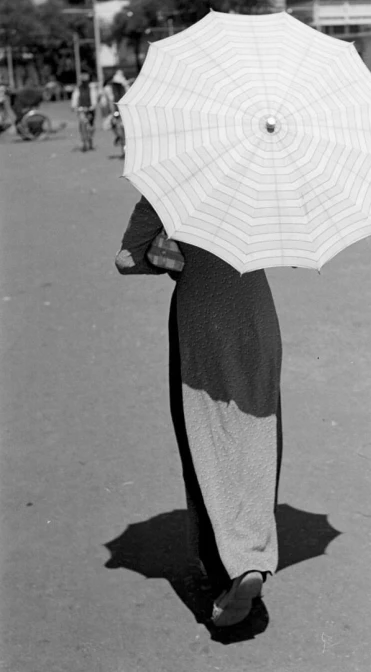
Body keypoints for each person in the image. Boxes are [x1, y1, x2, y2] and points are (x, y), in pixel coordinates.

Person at [115, 196, 283, 628]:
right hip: (256, 311)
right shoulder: (264, 174)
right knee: (258, 434)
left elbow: (127, 259)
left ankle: (227, 570)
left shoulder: (174, 182)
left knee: (205, 439)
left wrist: (171, 257)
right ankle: (254, 551)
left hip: (203, 317)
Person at [71, 72, 99, 150]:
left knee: (91, 126)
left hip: (90, 109)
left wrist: (93, 106)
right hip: (81, 109)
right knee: (82, 124)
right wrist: (74, 106)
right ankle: (84, 142)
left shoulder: (91, 88)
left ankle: (90, 139)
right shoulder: (78, 88)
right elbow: (75, 97)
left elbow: (94, 98)